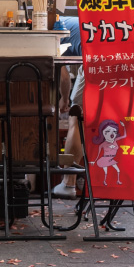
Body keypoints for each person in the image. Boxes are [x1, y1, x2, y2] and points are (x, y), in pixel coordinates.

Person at [53, 15, 85, 199]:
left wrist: (64, 100)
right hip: (126, 62)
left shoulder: (53, 30)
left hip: (97, 64)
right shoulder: (68, 22)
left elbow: (63, 77)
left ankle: (69, 182)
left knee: (76, 116)